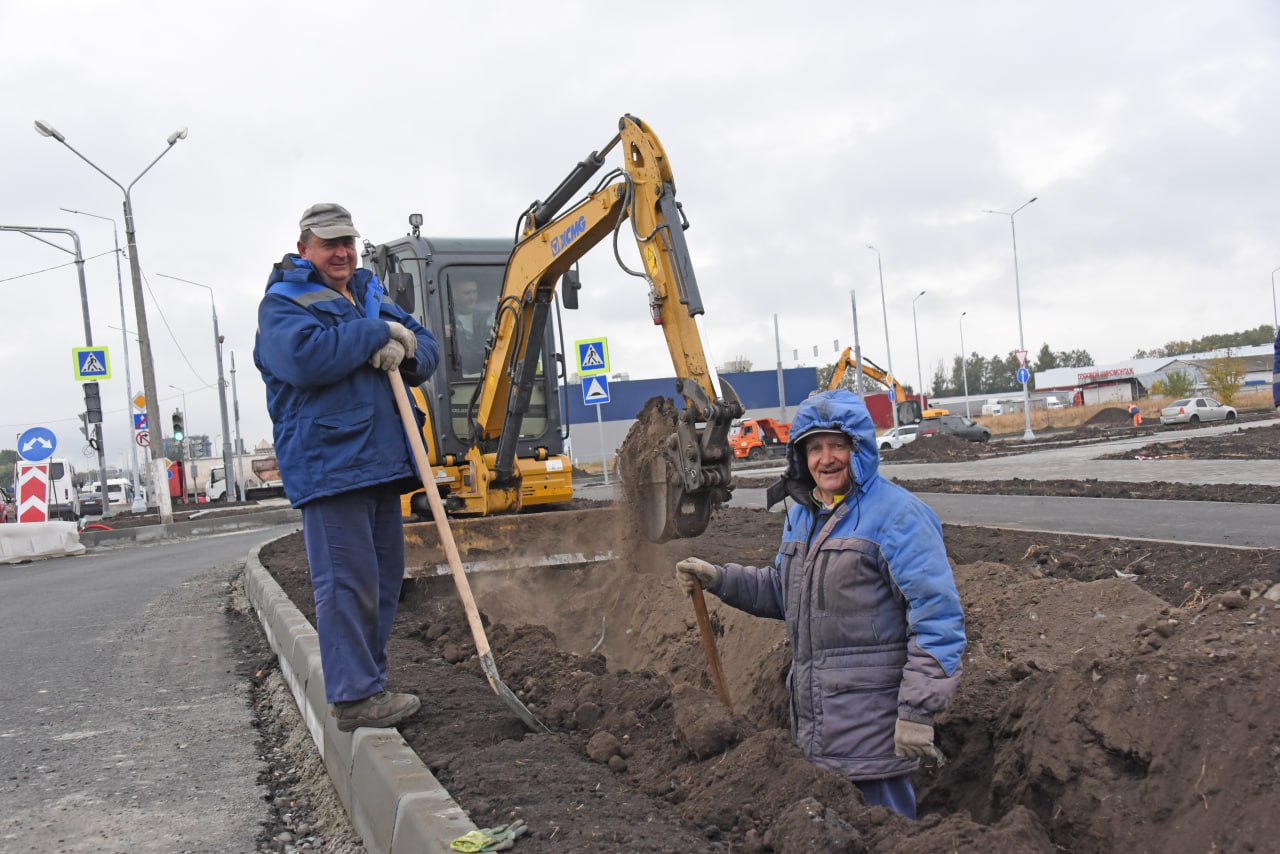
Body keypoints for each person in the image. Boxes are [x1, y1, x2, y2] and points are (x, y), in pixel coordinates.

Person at [676, 389, 966, 819]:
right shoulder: (804, 515)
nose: (826, 458)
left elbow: (938, 620)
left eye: (837, 445)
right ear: (800, 456)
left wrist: (916, 711)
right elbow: (781, 591)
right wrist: (719, 579)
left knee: (885, 833)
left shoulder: (898, 516)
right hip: (816, 727)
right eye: (814, 447)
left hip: (874, 735)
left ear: (860, 448)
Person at [254, 202, 440, 732]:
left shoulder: (368, 293)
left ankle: (370, 686)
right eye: (329, 243)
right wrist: (374, 336)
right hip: (331, 463)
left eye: (348, 243)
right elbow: (305, 361)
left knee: (381, 583)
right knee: (345, 583)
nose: (341, 253)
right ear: (304, 249)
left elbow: (424, 350)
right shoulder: (284, 304)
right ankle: (353, 697)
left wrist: (402, 346)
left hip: (381, 460)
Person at [452, 278, 491, 376]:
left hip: (489, 371)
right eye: (467, 293)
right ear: (455, 295)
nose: (472, 297)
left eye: (474, 292)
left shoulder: (490, 316)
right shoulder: (448, 320)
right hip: (462, 375)